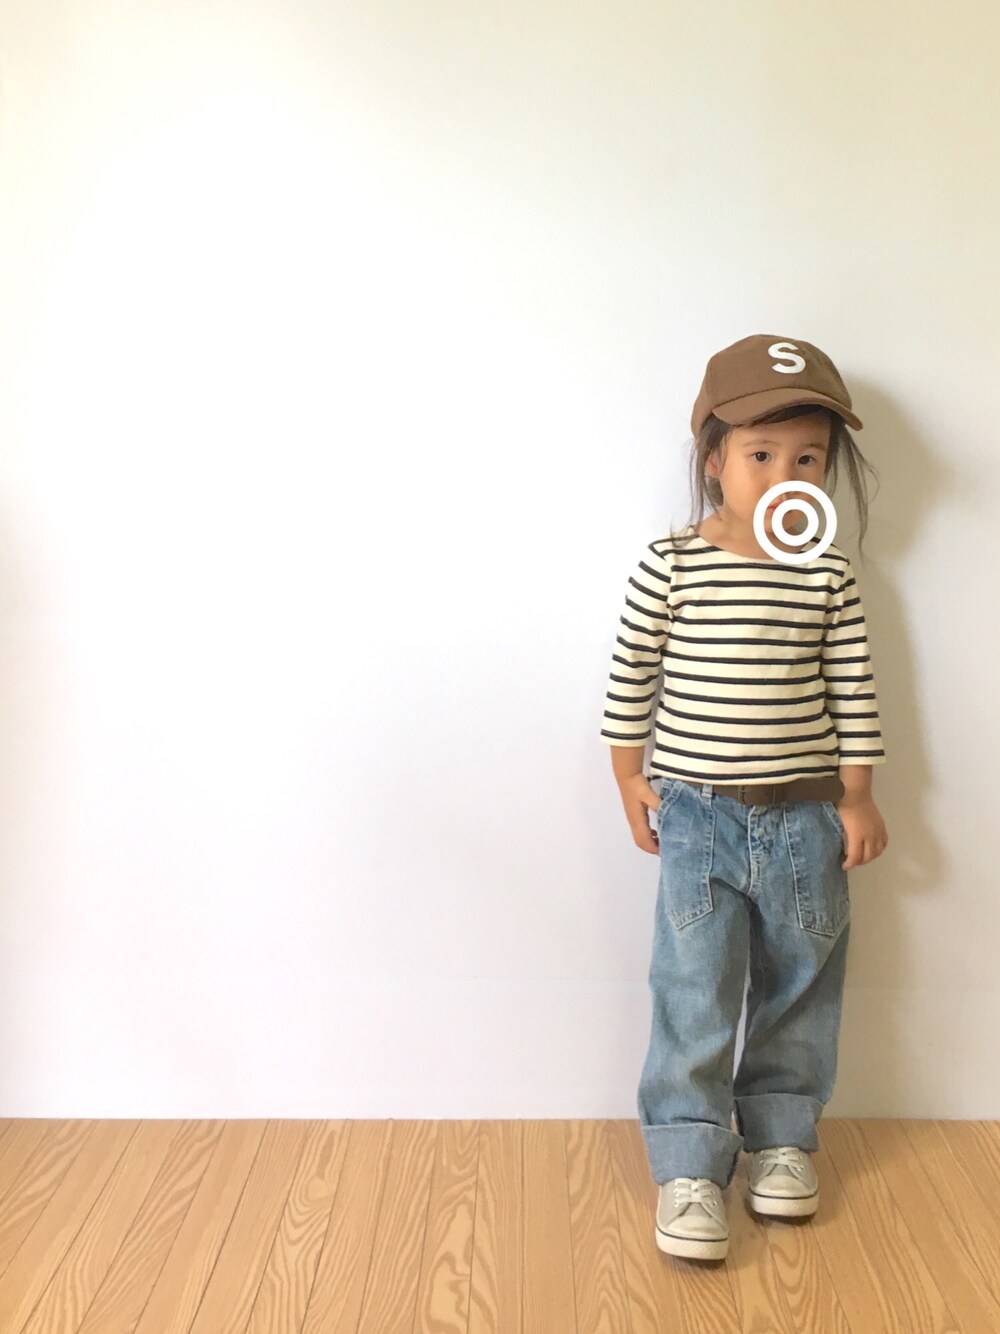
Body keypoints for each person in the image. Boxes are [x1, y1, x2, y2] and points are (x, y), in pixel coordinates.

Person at [599, 334, 889, 1262]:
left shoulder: (828, 575)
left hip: (806, 817)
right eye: (760, 454)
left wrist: (858, 796)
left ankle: (781, 1139)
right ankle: (689, 1162)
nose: (782, 475)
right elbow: (631, 676)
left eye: (807, 458)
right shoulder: (674, 564)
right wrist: (627, 775)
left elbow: (852, 689)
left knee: (802, 981)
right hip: (697, 815)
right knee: (694, 987)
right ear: (713, 459)